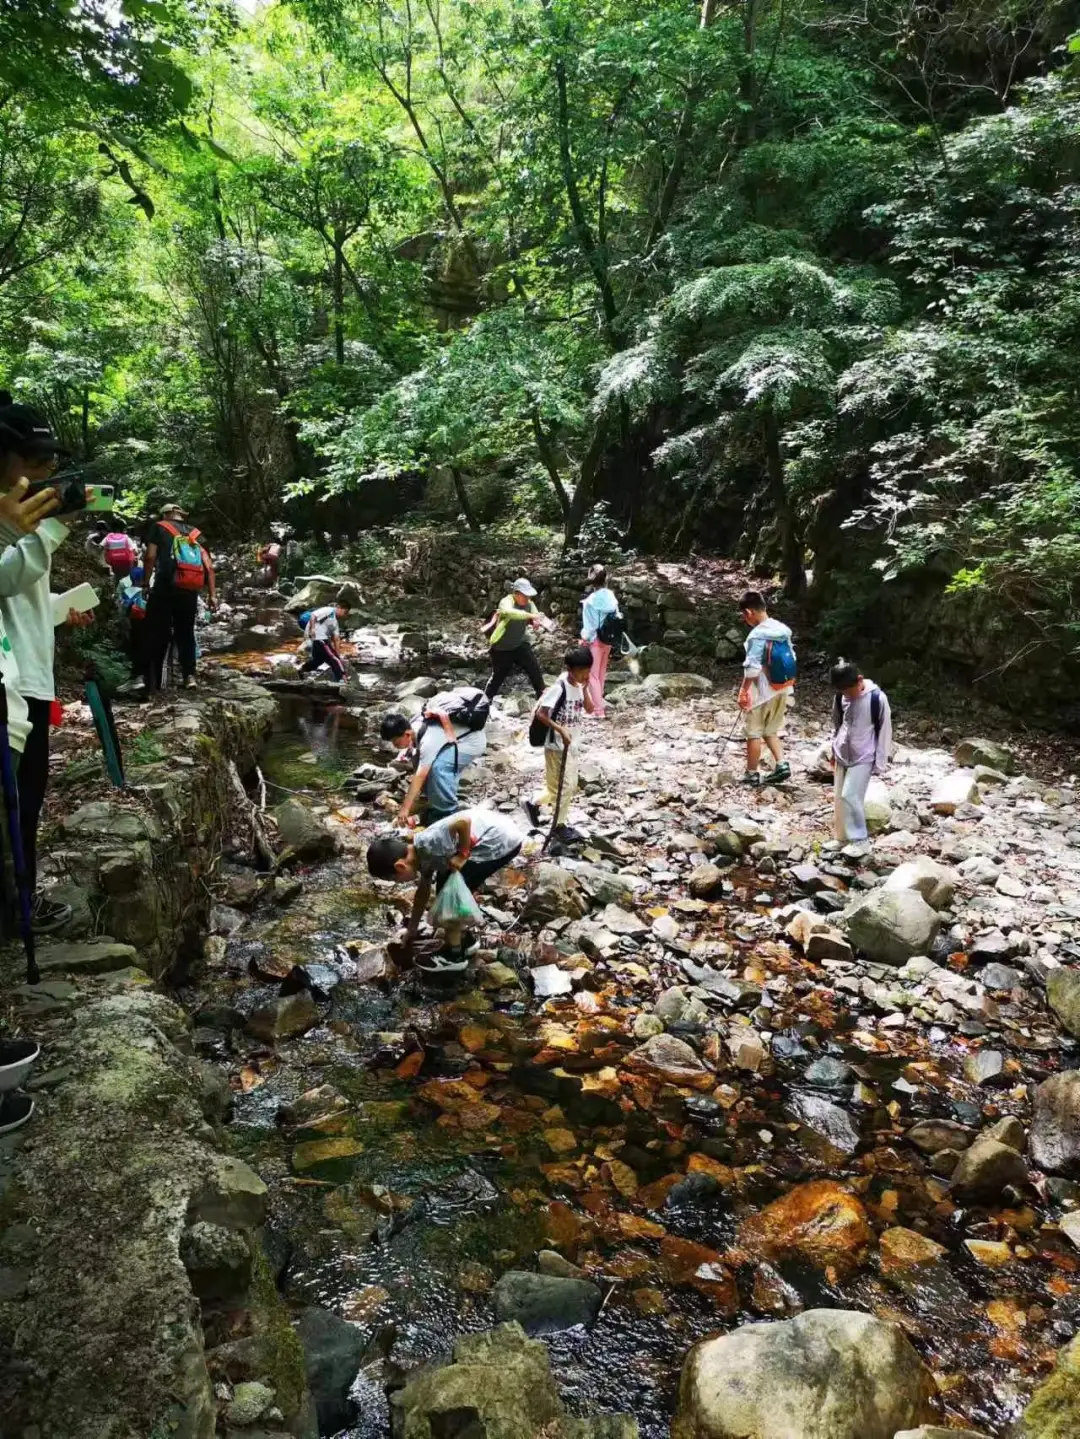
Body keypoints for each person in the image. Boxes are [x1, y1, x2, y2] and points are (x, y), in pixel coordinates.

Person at [0, 393, 95, 933]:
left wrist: (60, 613)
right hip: (12, 686)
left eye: (50, 460)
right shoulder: (13, 519)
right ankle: (17, 912)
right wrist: (53, 527)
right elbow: (6, 576)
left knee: (26, 801)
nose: (46, 470)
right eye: (34, 459)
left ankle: (22, 903)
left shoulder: (20, 518)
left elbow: (20, 593)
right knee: (14, 804)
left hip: (32, 675)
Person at [367, 807, 523, 972]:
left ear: (400, 866)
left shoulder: (429, 841)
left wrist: (462, 854)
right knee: (448, 886)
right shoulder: (421, 855)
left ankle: (453, 957)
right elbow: (423, 892)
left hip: (499, 840)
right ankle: (467, 941)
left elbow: (463, 822)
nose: (397, 883)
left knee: (449, 897)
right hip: (495, 833)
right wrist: (412, 929)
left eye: (394, 879)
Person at [381, 687, 489, 825]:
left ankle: (447, 812)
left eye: (396, 742)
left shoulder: (429, 738)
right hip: (453, 739)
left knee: (438, 767)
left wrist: (405, 809)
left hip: (470, 743)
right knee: (416, 756)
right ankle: (430, 798)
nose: (395, 746)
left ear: (407, 734)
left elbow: (420, 775)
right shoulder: (415, 724)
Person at [143, 502, 217, 693]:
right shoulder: (195, 533)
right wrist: (212, 595)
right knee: (185, 633)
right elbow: (208, 565)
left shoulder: (159, 528)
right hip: (189, 590)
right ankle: (189, 676)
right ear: (180, 514)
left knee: (157, 632)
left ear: (166, 514)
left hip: (164, 588)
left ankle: (154, 681)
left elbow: (150, 557)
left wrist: (144, 583)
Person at [524, 645, 593, 842]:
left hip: (572, 743)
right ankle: (558, 826)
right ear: (570, 669)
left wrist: (586, 688)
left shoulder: (579, 686)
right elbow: (542, 714)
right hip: (556, 745)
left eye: (588, 670)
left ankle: (533, 802)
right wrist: (560, 729)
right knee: (565, 787)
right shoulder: (559, 687)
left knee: (563, 785)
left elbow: (589, 709)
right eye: (582, 671)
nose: (585, 674)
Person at [830, 659, 892, 858]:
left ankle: (860, 840)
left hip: (864, 755)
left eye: (849, 690)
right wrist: (833, 748)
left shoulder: (877, 699)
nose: (847, 695)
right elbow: (837, 723)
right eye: (843, 691)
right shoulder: (841, 696)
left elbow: (884, 731)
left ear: (859, 680)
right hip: (842, 752)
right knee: (840, 798)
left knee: (851, 795)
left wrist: (880, 762)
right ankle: (841, 838)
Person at [736, 590, 796, 787]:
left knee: (753, 731)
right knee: (771, 729)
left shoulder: (757, 635)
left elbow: (752, 668)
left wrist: (744, 691)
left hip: (762, 691)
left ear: (748, 612)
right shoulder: (783, 629)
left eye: (744, 616)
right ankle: (781, 764)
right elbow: (792, 657)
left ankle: (752, 773)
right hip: (783, 687)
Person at [484, 578, 550, 700]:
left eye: (528, 596)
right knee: (498, 677)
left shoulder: (530, 604)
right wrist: (531, 615)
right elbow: (510, 612)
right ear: (516, 593)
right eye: (524, 595)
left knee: (534, 669)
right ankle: (484, 702)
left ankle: (543, 699)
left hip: (520, 644)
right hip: (501, 647)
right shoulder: (506, 601)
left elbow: (536, 615)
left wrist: (536, 622)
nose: (527, 599)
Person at [579, 563, 620, 720]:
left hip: (595, 640)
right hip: (608, 639)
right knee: (601, 673)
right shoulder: (611, 596)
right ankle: (599, 704)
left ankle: (598, 710)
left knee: (592, 676)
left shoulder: (590, 601)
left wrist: (584, 639)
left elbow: (590, 626)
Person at [301, 593, 352, 681]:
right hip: (318, 636)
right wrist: (312, 629)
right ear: (339, 608)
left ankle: (301, 671)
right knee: (334, 659)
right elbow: (313, 615)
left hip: (321, 638)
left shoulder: (335, 622)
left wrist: (337, 653)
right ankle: (343, 679)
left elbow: (336, 639)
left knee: (318, 660)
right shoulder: (329, 611)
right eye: (345, 612)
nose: (345, 615)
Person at [117, 563, 147, 680]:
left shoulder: (127, 591)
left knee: (132, 649)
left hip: (130, 625)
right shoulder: (145, 592)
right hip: (144, 624)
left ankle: (133, 673)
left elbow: (121, 608)